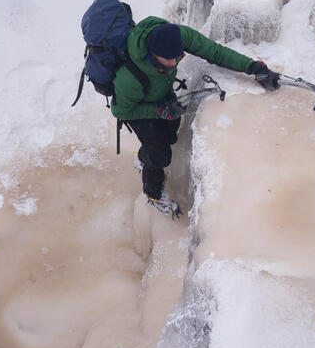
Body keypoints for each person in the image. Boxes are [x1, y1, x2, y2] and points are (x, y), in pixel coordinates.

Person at [111, 16, 280, 217]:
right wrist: (158, 111)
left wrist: (253, 68)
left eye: (178, 57)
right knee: (160, 153)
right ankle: (153, 192)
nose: (175, 63)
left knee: (171, 133)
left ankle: (143, 155)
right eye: (169, 59)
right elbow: (120, 111)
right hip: (137, 109)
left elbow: (213, 51)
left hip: (161, 93)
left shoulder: (177, 36)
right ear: (153, 55)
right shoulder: (129, 78)